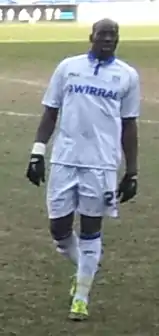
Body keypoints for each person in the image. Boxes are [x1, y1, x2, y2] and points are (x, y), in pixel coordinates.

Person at [26, 18, 140, 321]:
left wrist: (132, 172)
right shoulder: (68, 67)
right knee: (59, 231)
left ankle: (81, 296)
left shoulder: (127, 76)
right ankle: (83, 270)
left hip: (101, 165)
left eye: (114, 35)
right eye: (103, 34)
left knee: (91, 230)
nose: (108, 39)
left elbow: (129, 125)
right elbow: (51, 111)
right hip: (64, 160)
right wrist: (37, 152)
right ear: (91, 36)